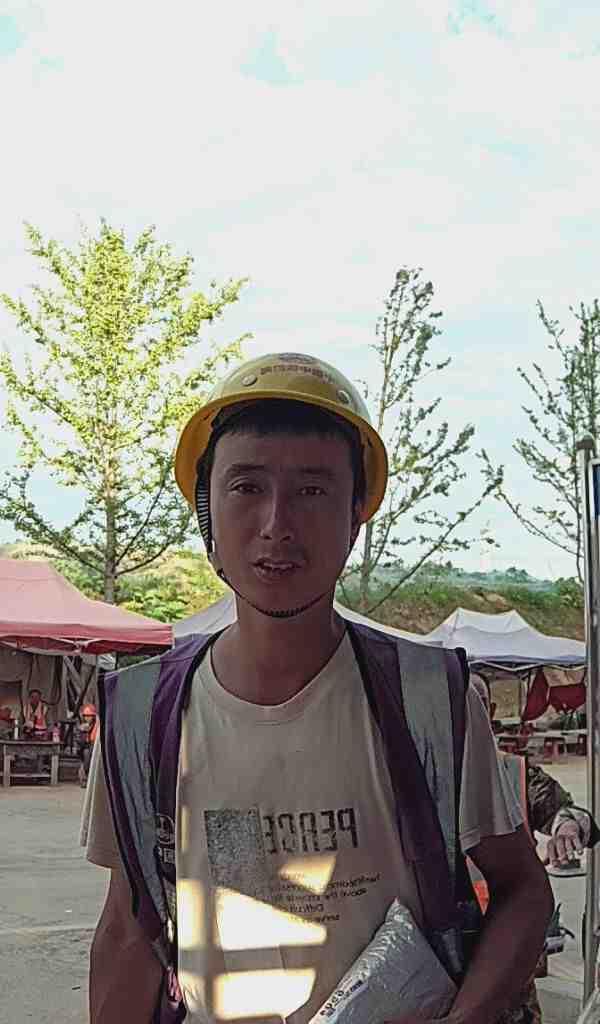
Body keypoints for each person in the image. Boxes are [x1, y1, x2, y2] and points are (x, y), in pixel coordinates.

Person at [82, 353, 553, 1024]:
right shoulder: (140, 716)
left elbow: (522, 890)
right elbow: (129, 928)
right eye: (247, 486)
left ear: (356, 518)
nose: (277, 523)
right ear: (206, 512)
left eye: (312, 490)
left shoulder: (431, 699)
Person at [469, 674, 596, 1024]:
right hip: (449, 960)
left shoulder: (515, 772)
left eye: (478, 703)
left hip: (511, 955)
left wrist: (567, 827)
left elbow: (567, 813)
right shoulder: (422, 774)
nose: (468, 712)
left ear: (491, 711)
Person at [76, 703, 98, 787]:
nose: (87, 718)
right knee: (86, 755)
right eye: (86, 716)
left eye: (89, 716)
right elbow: (79, 741)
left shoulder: (97, 725)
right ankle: (84, 779)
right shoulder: (81, 727)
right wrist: (84, 732)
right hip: (84, 748)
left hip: (93, 747)